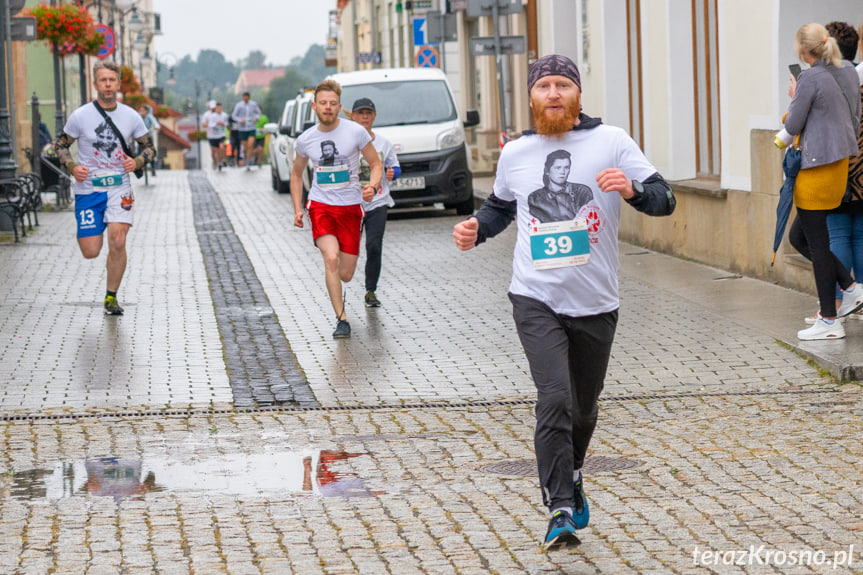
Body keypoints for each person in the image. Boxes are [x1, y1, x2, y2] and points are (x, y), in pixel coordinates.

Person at [452, 54, 676, 549]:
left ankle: (572, 471)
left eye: (562, 85)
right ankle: (559, 508)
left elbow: (665, 198)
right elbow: (500, 207)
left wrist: (635, 189)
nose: (553, 94)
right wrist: (476, 230)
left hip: (596, 300)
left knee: (584, 407)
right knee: (554, 398)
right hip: (535, 297)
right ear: (531, 97)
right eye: (543, 86)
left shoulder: (611, 141)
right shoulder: (516, 152)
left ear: (577, 94)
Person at [54, 60, 155, 315]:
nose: (108, 85)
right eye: (103, 80)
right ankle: (105, 276)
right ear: (95, 83)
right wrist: (72, 166)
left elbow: (150, 148)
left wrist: (138, 161)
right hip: (88, 188)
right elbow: (60, 145)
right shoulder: (80, 116)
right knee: (91, 251)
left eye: (112, 80)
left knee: (118, 240)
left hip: (119, 186)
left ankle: (111, 297)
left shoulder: (131, 116)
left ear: (118, 84)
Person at [785, 23, 863, 340]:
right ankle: (852, 288)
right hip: (839, 167)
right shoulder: (848, 71)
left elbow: (793, 122)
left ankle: (829, 320)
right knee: (801, 237)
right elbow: (852, 115)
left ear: (803, 50)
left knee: (816, 244)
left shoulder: (810, 77)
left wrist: (793, 97)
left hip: (815, 170)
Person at [290, 80, 382, 338]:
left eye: (332, 104)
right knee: (331, 259)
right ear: (314, 107)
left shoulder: (355, 132)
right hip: (321, 206)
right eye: (323, 103)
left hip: (351, 207)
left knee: (347, 273)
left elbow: (375, 164)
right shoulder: (306, 139)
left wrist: (372, 187)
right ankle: (342, 319)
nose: (328, 108)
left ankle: (341, 297)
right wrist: (298, 208)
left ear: (339, 106)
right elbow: (296, 175)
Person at [806, 22, 863, 326]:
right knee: (860, 234)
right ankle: (857, 298)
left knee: (837, 233)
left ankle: (837, 304)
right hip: (859, 165)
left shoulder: (831, 78)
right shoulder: (854, 75)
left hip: (839, 165)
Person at [348, 97, 401, 308]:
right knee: (349, 249)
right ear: (353, 117)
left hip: (378, 202)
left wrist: (391, 173)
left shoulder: (383, 143)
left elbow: (395, 168)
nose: (364, 117)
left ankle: (370, 290)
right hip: (352, 203)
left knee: (373, 245)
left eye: (368, 113)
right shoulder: (347, 142)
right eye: (360, 113)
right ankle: (342, 281)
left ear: (374, 117)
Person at [528, 149, 594, 222]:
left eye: (566, 167)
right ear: (547, 171)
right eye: (558, 168)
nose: (562, 172)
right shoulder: (535, 197)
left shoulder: (582, 191)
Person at [231, 92, 261, 169]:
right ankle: (245, 155)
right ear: (243, 97)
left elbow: (258, 112)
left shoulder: (253, 104)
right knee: (245, 147)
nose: (245, 98)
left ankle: (248, 161)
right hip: (242, 128)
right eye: (244, 97)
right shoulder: (239, 105)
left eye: (247, 97)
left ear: (249, 97)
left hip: (251, 127)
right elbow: (234, 115)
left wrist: (256, 118)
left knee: (250, 145)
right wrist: (240, 120)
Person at [202, 102, 229, 171]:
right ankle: (215, 162)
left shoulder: (223, 115)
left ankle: (221, 161)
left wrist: (223, 124)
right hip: (211, 135)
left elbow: (227, 123)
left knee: (221, 148)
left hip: (221, 135)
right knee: (214, 151)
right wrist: (215, 123)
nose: (214, 109)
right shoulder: (208, 115)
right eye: (213, 108)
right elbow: (205, 124)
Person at [137, 104, 160, 176]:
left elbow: (154, 122)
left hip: (148, 137)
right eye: (140, 111)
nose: (141, 112)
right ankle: (139, 169)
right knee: (139, 153)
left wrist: (156, 126)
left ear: (146, 111)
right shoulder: (138, 116)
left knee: (151, 153)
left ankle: (153, 169)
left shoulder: (149, 116)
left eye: (143, 111)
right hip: (140, 137)